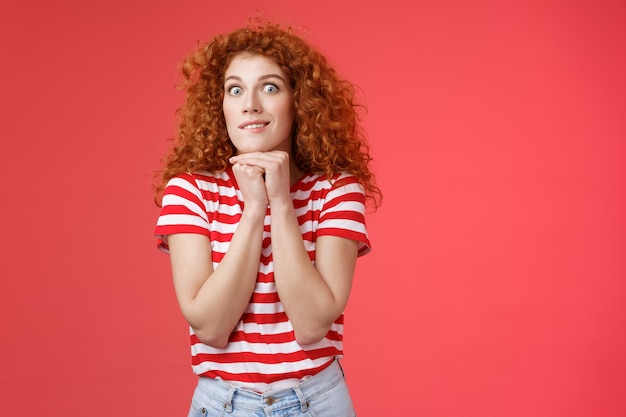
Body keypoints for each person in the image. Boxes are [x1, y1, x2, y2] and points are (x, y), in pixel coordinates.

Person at [154, 19, 381, 417]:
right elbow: (210, 327)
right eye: (235, 89)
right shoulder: (188, 191)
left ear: (300, 99)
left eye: (270, 87)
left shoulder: (337, 191)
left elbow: (312, 325)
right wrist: (254, 208)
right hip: (222, 405)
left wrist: (280, 201)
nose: (250, 104)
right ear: (219, 103)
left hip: (318, 402)